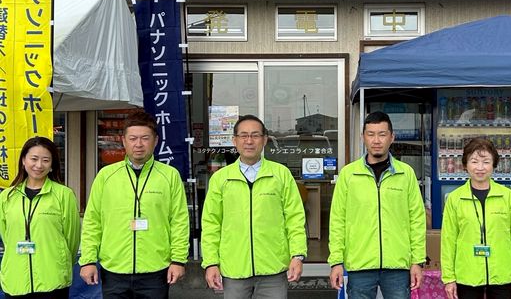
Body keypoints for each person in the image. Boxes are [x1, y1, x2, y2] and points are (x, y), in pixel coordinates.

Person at [79, 110, 189, 299]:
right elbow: (92, 220)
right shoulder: (106, 176)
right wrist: (88, 260)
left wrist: (178, 260)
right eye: (133, 138)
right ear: (124, 141)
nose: (139, 144)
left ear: (155, 141)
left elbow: (179, 221)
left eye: (145, 138)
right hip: (114, 269)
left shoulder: (169, 176)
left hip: (156, 269)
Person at [201, 114, 307, 298]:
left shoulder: (280, 174)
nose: (249, 141)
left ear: (264, 140)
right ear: (234, 140)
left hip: (273, 268)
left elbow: (295, 218)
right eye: (243, 135)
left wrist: (297, 255)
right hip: (234, 268)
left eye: (255, 135)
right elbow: (211, 223)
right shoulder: (220, 178)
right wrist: (211, 263)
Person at [328, 111, 426, 299]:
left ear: (392, 137)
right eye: (371, 134)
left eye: (382, 134)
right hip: (360, 264)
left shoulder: (406, 174)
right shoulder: (349, 175)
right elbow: (337, 220)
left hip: (397, 266)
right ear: (363, 137)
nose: (376, 140)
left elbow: (417, 220)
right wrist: (336, 261)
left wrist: (417, 261)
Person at [441, 138, 511, 299]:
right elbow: (448, 241)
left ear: (494, 164)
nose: (480, 168)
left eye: (486, 162)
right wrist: (449, 278)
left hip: (503, 275)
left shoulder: (508, 197)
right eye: (474, 161)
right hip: (467, 276)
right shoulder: (455, 199)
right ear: (465, 165)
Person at [0, 136, 80, 298]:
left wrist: (60, 262)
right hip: (15, 280)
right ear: (24, 160)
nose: (39, 165)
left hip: (53, 280)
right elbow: (6, 236)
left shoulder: (64, 195)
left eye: (45, 160)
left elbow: (71, 239)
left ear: (52, 165)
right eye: (34, 159)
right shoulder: (7, 197)